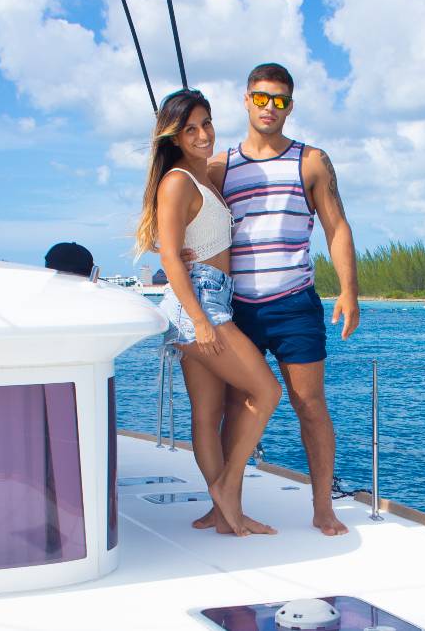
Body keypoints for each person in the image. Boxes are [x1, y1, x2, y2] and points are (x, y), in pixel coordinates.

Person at [190, 63, 362, 536]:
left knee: (310, 404)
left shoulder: (311, 161)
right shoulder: (219, 167)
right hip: (235, 307)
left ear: (290, 106)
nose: (270, 107)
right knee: (234, 405)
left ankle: (323, 507)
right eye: (262, 98)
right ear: (246, 100)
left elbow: (336, 226)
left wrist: (349, 290)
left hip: (293, 303)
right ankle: (226, 505)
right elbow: (193, 220)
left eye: (280, 100)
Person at [134, 89, 284, 537]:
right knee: (266, 391)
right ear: (174, 137)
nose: (202, 135)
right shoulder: (177, 181)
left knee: (207, 413)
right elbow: (170, 258)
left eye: (207, 123)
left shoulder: (203, 176)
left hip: (209, 296)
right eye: (190, 129)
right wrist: (200, 320)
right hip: (199, 303)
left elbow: (174, 242)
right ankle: (226, 488)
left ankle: (223, 513)